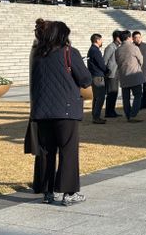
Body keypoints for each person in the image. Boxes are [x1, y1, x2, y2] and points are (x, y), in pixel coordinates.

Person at [29, 21, 91, 206]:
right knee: (68, 151)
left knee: (46, 152)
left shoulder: (37, 54)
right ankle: (68, 193)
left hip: (42, 111)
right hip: (66, 109)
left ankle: (47, 192)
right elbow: (85, 79)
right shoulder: (69, 52)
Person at [115, 31, 144, 122]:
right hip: (134, 76)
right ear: (128, 38)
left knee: (126, 98)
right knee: (138, 95)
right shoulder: (134, 48)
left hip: (123, 76)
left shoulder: (117, 50)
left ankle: (128, 115)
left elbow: (117, 62)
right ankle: (133, 114)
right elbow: (141, 60)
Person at [87, 33, 108, 124]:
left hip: (94, 75)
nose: (102, 41)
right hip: (98, 76)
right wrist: (107, 70)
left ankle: (95, 115)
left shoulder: (91, 50)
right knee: (100, 97)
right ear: (97, 40)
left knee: (96, 97)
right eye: (101, 40)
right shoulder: (95, 50)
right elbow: (101, 64)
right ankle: (96, 117)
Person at [103, 30, 122, 118]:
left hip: (117, 73)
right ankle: (108, 112)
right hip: (111, 74)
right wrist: (107, 71)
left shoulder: (118, 47)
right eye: (121, 37)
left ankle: (112, 110)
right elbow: (105, 61)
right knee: (111, 93)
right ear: (117, 38)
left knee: (115, 93)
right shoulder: (110, 47)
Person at [132, 31, 146, 110]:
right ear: (133, 39)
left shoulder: (145, 45)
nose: (138, 39)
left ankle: (145, 103)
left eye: (139, 37)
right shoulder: (132, 47)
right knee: (138, 90)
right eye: (136, 38)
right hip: (137, 72)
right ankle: (139, 104)